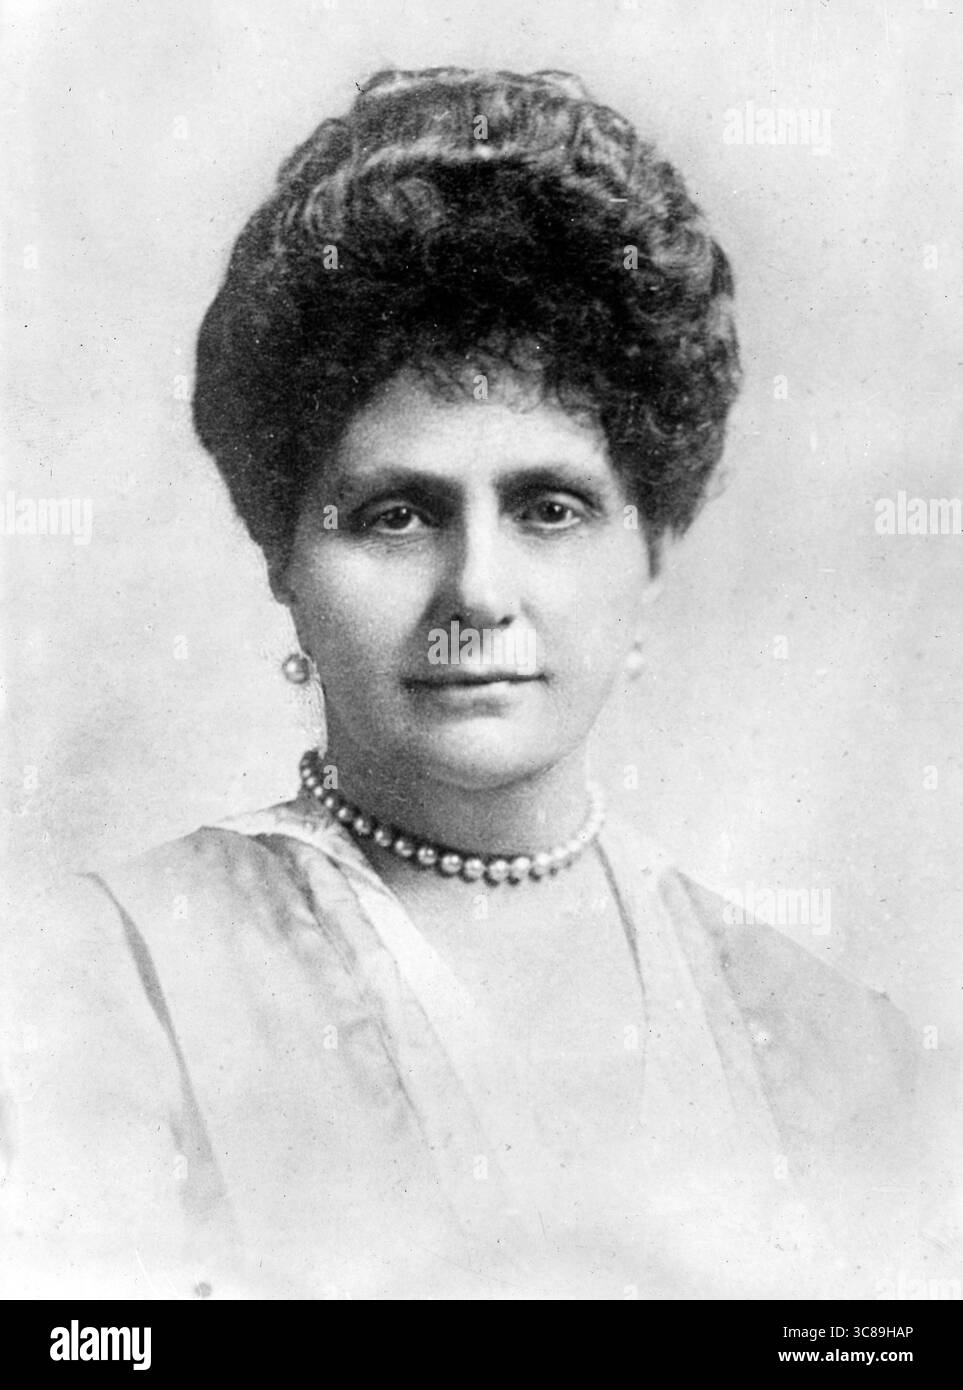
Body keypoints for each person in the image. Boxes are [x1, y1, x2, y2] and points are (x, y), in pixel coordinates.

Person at [0, 67, 955, 1301]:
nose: (478, 592)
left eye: (550, 508)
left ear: (653, 550)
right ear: (283, 556)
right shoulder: (110, 982)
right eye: (398, 514)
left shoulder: (844, 1050)